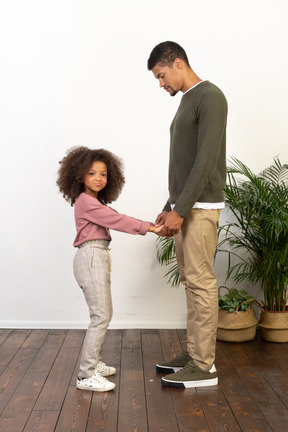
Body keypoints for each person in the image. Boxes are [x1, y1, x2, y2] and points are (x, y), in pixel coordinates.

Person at [147, 41, 228, 388]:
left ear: (178, 63)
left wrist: (181, 209)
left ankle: (204, 367)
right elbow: (184, 164)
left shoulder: (210, 97)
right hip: (184, 207)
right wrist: (170, 207)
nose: (161, 84)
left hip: (200, 208)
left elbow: (206, 159)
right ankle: (194, 353)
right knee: (191, 283)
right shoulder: (187, 101)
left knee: (201, 283)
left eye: (162, 75)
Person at [57, 146, 162, 392]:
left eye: (103, 174)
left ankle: (93, 364)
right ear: (79, 176)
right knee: (101, 316)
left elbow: (115, 215)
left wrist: (147, 225)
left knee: (104, 313)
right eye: (92, 173)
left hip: (98, 255)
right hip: (91, 256)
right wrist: (150, 227)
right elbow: (118, 221)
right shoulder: (85, 202)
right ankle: (86, 375)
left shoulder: (94, 202)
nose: (98, 178)